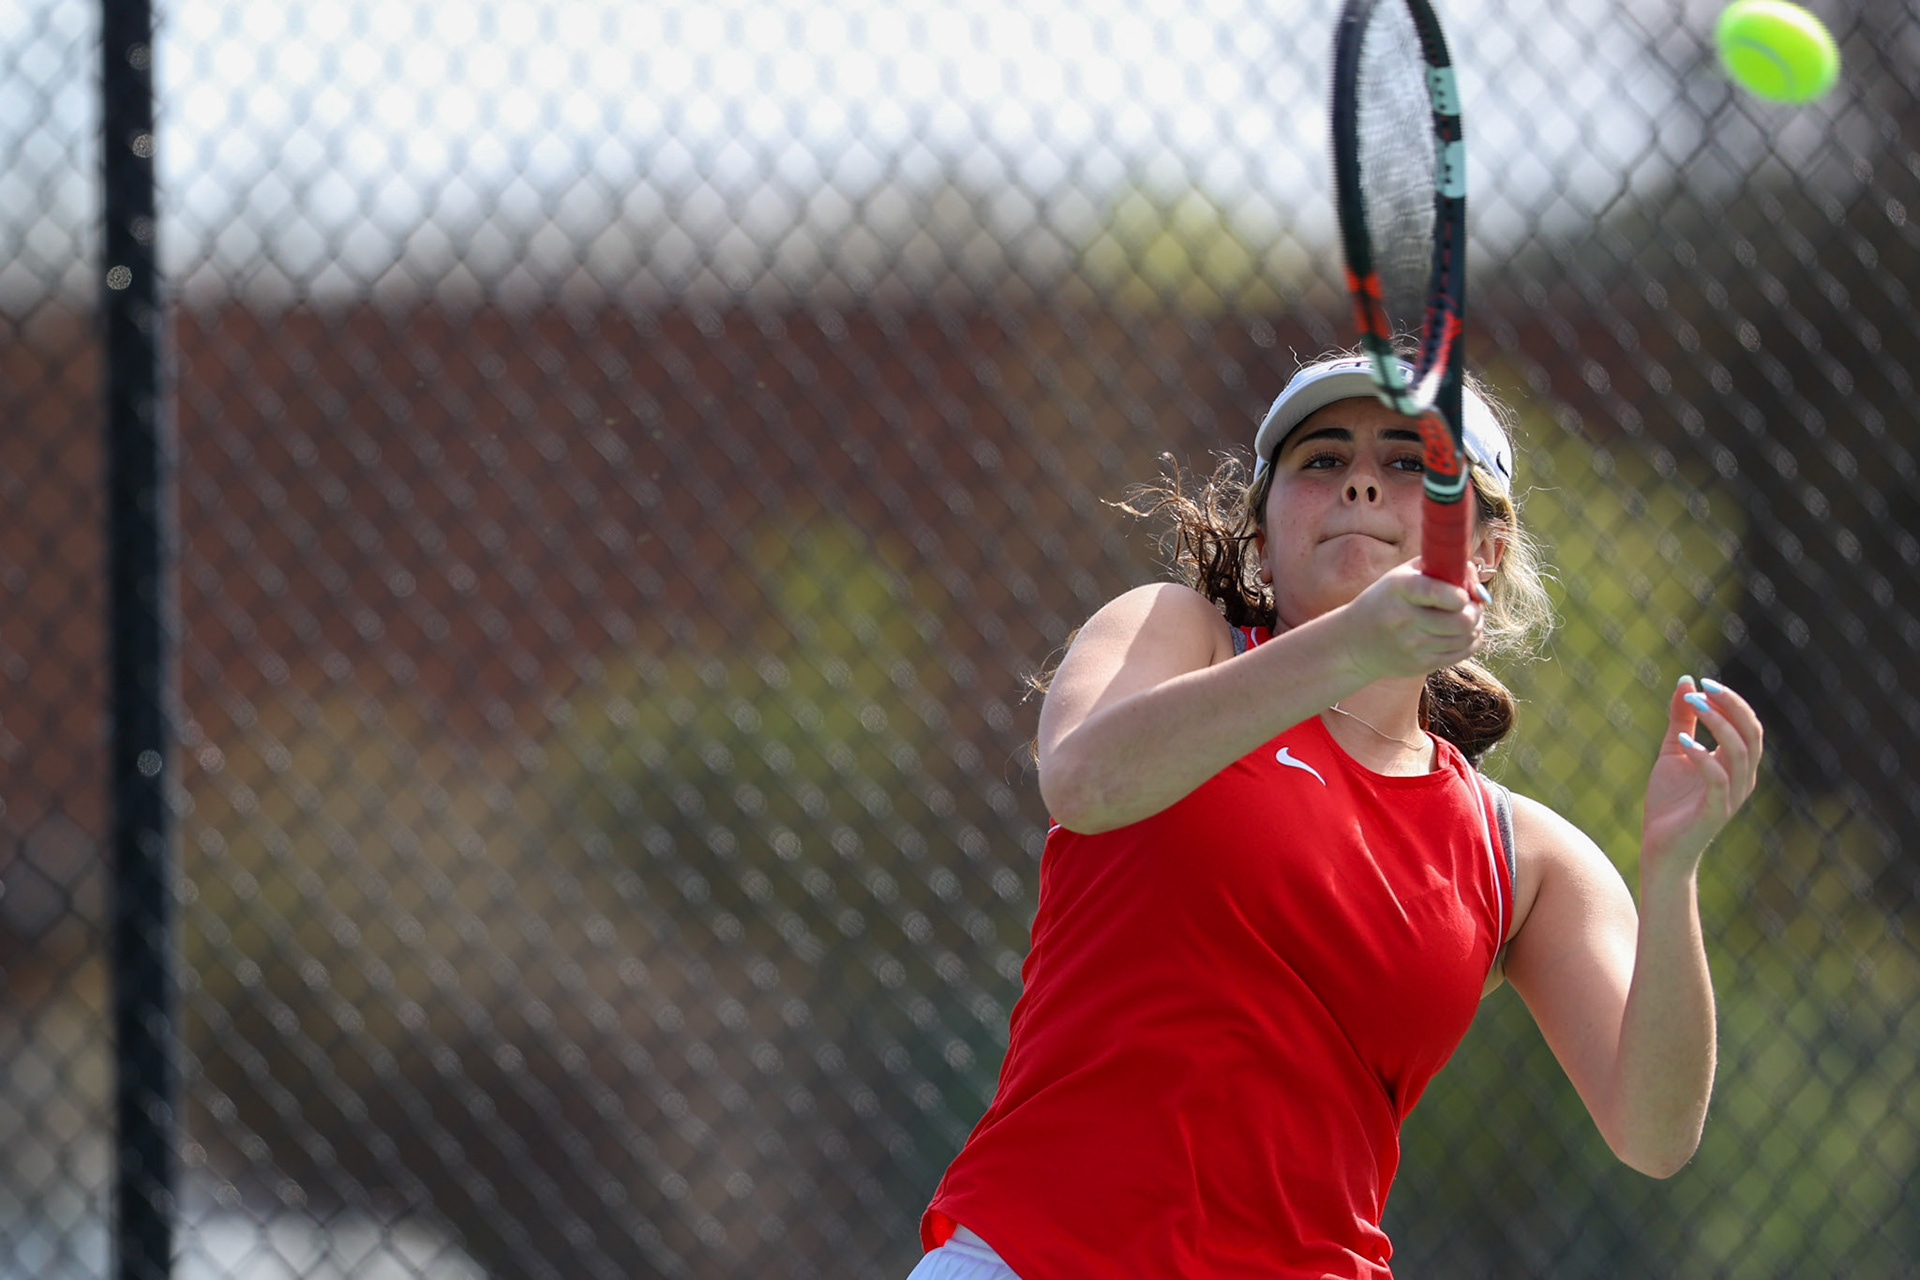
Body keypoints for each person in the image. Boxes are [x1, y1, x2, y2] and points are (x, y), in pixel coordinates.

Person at [906, 355, 1764, 1280]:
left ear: (1483, 552)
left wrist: (1675, 872)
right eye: (1321, 460)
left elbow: (1656, 1128)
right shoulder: (1174, 634)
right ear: (1266, 535)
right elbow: (1083, 778)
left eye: (1409, 462)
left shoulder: (1522, 854)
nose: (1360, 479)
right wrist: (1351, 644)